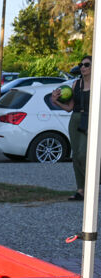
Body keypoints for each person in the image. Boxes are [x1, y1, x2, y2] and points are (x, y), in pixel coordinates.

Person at [52, 55, 92, 201]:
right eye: (81, 64)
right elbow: (69, 108)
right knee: (76, 156)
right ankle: (81, 190)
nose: (82, 67)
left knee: (83, 154)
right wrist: (55, 101)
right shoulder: (76, 84)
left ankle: (92, 185)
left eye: (87, 65)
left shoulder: (97, 84)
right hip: (75, 119)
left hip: (90, 120)